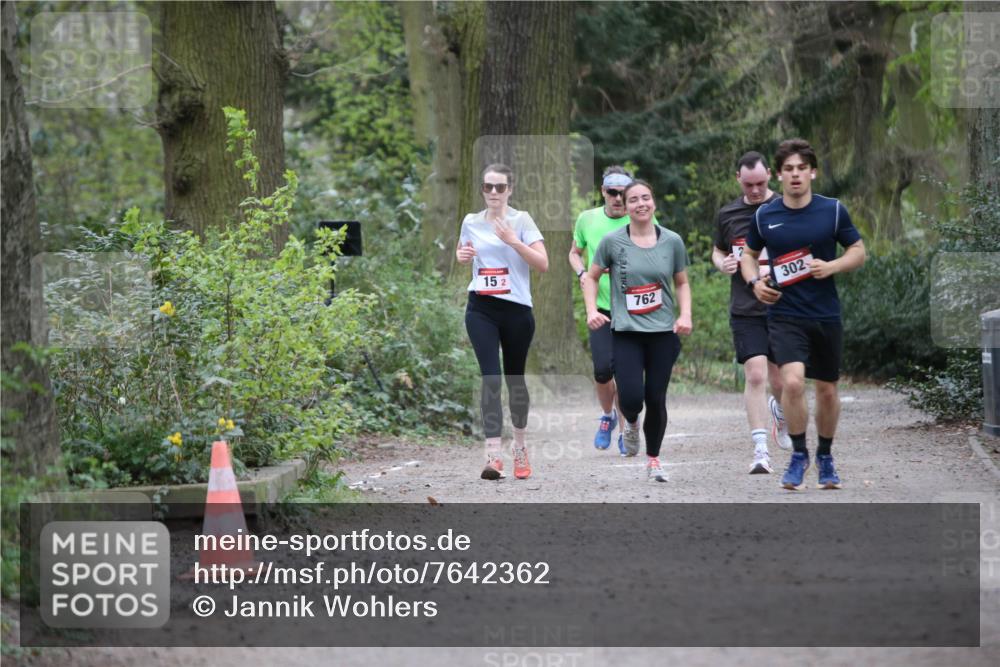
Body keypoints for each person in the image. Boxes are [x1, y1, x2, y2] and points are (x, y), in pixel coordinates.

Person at [740, 139, 866, 490]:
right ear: (778, 175)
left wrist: (833, 266)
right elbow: (749, 255)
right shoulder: (766, 215)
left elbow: (858, 251)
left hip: (825, 314)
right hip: (785, 313)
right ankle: (798, 454)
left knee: (826, 389)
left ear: (812, 172)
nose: (795, 175)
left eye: (801, 169)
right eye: (788, 170)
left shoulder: (833, 210)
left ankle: (825, 456)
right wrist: (754, 282)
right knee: (792, 382)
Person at [582, 180, 692, 482]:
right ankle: (629, 423)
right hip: (627, 332)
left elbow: (681, 282)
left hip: (662, 333)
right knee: (631, 399)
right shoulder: (613, 242)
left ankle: (654, 459)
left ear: (653, 203)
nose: (640, 204)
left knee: (656, 398)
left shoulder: (672, 241)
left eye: (646, 198)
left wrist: (685, 315)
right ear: (626, 207)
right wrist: (592, 311)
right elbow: (591, 278)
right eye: (634, 200)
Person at [457, 163, 549, 481]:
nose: (493, 192)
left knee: (514, 380)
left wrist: (513, 240)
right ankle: (493, 455)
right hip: (481, 307)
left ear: (510, 189)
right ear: (482, 190)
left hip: (516, 310)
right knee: (491, 379)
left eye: (499, 187)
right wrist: (462, 256)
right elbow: (463, 251)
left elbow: (543, 264)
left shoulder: (521, 220)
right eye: (488, 187)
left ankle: (520, 448)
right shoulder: (470, 221)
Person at [711, 151, 791, 475]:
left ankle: (782, 416)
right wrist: (723, 264)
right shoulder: (728, 213)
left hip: (785, 306)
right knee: (756, 375)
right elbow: (717, 251)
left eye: (760, 183)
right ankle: (760, 451)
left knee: (783, 380)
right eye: (749, 184)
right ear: (738, 180)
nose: (755, 190)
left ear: (770, 175)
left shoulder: (788, 208)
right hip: (746, 308)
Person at [568, 166, 634, 453]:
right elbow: (574, 252)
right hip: (601, 308)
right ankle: (606, 417)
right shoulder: (587, 219)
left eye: (623, 193)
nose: (618, 198)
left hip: (632, 307)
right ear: (602, 192)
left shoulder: (640, 216)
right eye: (612, 192)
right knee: (602, 371)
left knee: (625, 372)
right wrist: (583, 273)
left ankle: (624, 432)